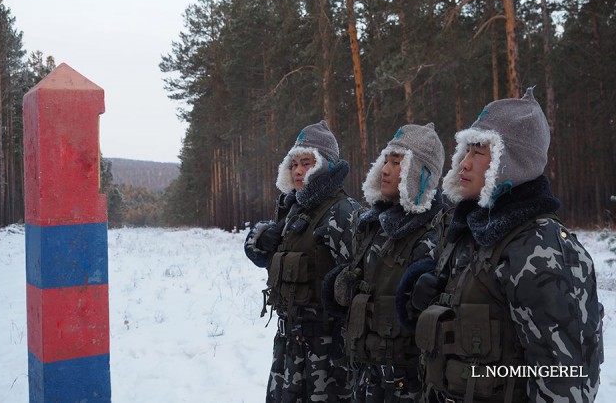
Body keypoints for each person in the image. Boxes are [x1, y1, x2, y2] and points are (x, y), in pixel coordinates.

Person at [406, 88, 603, 402]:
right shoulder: (472, 236)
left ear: (510, 161)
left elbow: (565, 381)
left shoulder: (543, 249)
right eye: (465, 151)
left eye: (479, 152)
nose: (463, 164)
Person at [322, 123, 448, 402]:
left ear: (420, 172)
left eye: (397, 162)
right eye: (385, 161)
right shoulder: (371, 226)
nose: (386, 170)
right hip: (365, 380)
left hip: (410, 386)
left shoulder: (440, 230)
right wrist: (341, 286)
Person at [245, 120, 362, 403]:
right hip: (288, 348)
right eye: (294, 163)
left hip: (328, 357)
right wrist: (258, 240)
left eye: (306, 162)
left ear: (326, 164)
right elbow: (275, 259)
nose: (298, 171)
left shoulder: (344, 214)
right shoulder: (294, 210)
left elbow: (363, 283)